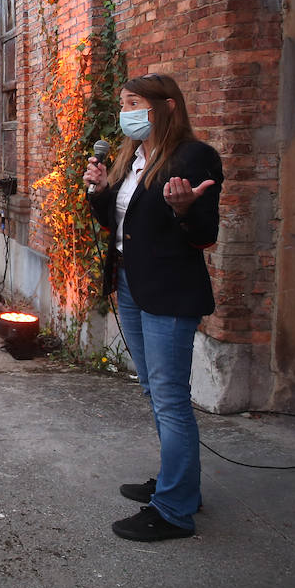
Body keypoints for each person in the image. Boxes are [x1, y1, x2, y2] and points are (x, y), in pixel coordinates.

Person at [84, 72, 222, 543]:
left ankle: (175, 509)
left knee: (170, 398)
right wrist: (100, 191)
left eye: (135, 102)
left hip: (168, 291)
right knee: (154, 391)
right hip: (130, 285)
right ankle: (176, 484)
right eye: (123, 103)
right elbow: (116, 225)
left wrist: (186, 210)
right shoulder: (133, 158)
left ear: (167, 107)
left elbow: (204, 235)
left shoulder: (193, 157)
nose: (127, 112)